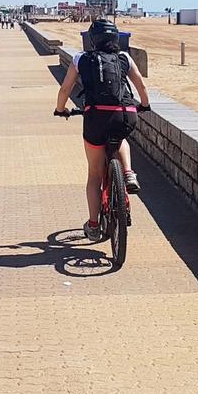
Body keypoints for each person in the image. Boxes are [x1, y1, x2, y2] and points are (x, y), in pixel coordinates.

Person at [54, 19, 151, 240]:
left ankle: (94, 224)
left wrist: (61, 110)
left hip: (96, 117)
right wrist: (144, 105)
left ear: (92, 40)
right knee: (121, 137)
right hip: (124, 114)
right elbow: (141, 86)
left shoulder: (81, 59)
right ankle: (128, 173)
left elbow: (65, 89)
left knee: (94, 175)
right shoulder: (124, 58)